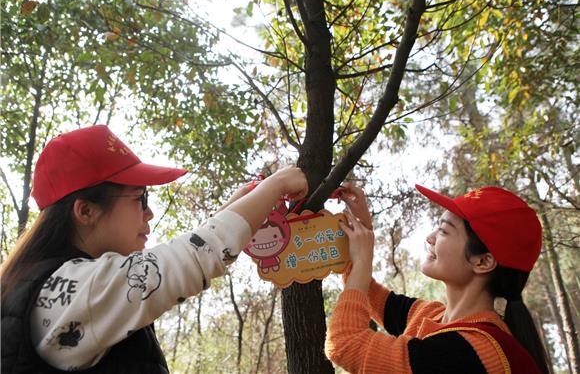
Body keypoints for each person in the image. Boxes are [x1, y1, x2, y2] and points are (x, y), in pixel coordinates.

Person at [1, 124, 308, 373]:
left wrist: (239, 210)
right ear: (86, 212)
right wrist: (276, 186)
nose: (148, 214)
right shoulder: (68, 291)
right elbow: (184, 262)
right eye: (140, 199)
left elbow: (182, 258)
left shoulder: (62, 285)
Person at [325, 183, 550, 374]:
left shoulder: (474, 351)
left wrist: (364, 259)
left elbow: (345, 343)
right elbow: (367, 292)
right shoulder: (432, 315)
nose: (430, 238)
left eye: (444, 231)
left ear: (483, 262)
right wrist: (362, 227)